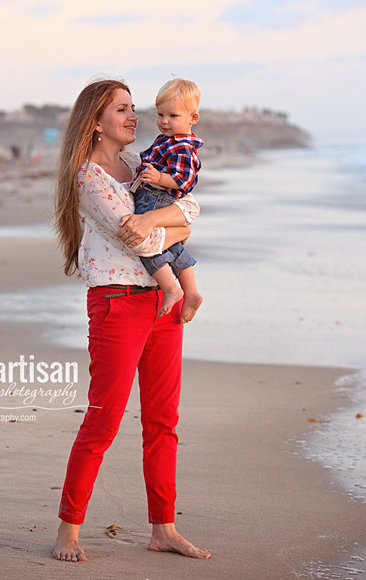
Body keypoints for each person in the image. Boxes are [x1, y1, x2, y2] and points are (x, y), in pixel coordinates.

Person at [50, 79, 211, 564]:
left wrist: (159, 221)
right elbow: (134, 238)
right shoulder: (89, 176)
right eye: (122, 109)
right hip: (118, 304)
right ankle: (68, 531)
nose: (134, 117)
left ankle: (164, 529)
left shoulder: (143, 166)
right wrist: (162, 225)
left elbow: (192, 210)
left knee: (163, 422)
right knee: (104, 419)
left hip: (165, 305)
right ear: (95, 122)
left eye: (133, 108)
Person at [128, 78, 205, 319]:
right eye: (160, 114)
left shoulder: (181, 146)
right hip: (154, 194)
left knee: (146, 243)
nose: (164, 121)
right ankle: (191, 292)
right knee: (172, 244)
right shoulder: (169, 140)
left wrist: (160, 178)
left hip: (157, 197)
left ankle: (171, 288)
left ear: (193, 119)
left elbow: (185, 181)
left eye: (173, 116)